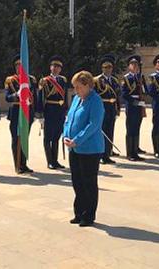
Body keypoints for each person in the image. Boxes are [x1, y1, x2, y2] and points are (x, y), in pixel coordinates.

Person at [63, 71, 105, 227]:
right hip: (73, 148)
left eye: (78, 87)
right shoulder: (76, 99)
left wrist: (77, 140)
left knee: (88, 183)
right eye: (74, 87)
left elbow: (93, 125)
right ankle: (79, 212)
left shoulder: (95, 101)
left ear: (87, 85)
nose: (76, 90)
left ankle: (89, 215)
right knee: (77, 182)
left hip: (90, 149)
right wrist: (65, 135)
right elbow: (69, 119)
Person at [5, 54, 38, 173]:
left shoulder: (31, 79)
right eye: (17, 65)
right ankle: (17, 165)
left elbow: (35, 98)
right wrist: (16, 95)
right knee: (16, 139)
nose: (20, 67)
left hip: (27, 112)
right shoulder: (10, 80)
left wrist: (35, 113)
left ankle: (24, 164)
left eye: (22, 65)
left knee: (25, 138)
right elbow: (7, 98)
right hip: (15, 112)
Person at [37, 55, 69, 169]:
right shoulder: (44, 81)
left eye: (58, 66)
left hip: (59, 112)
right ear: (50, 67)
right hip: (49, 110)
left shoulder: (63, 80)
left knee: (56, 137)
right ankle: (49, 161)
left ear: (60, 68)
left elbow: (65, 97)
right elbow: (40, 98)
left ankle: (55, 160)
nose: (56, 68)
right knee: (48, 138)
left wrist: (66, 111)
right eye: (54, 66)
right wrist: (40, 115)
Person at [94, 54, 120, 164]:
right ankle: (101, 155)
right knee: (102, 132)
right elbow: (94, 96)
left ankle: (108, 153)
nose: (108, 70)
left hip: (111, 108)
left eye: (109, 67)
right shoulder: (97, 80)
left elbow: (117, 96)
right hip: (102, 108)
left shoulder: (114, 80)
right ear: (102, 68)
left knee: (110, 131)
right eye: (105, 67)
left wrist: (117, 108)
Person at [121, 55, 147, 161]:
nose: (135, 66)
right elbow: (124, 94)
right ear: (129, 66)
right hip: (131, 106)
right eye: (133, 64)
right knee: (130, 129)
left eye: (136, 64)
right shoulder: (126, 78)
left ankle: (135, 151)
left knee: (137, 129)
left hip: (139, 105)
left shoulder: (140, 77)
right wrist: (134, 101)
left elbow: (145, 91)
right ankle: (129, 153)